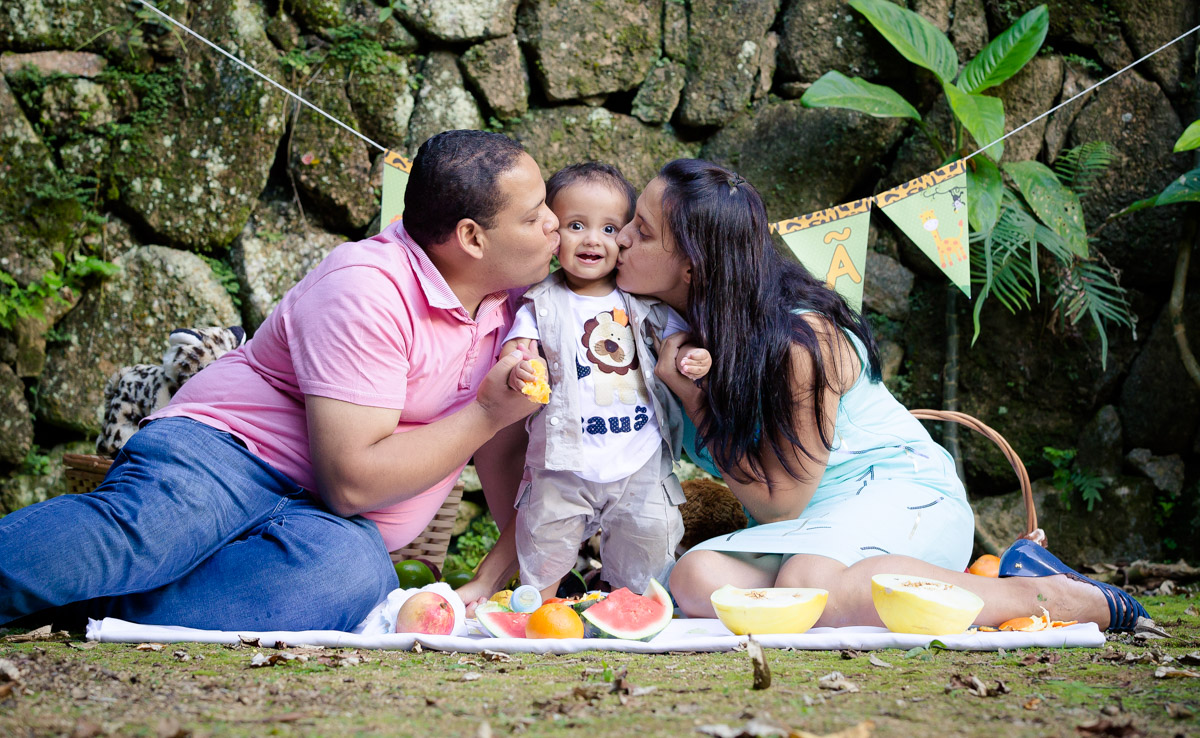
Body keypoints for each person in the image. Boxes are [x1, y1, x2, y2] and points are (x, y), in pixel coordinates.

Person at [0, 130, 557, 632]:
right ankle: (74, 587)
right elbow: (351, 484)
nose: (554, 223)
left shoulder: (515, 312)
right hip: (227, 453)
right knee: (153, 534)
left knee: (350, 577)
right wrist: (486, 413)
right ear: (471, 237)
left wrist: (499, 581)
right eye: (534, 217)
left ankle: (84, 609)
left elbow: (509, 467)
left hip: (330, 525)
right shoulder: (366, 287)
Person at [612, 158, 1148, 632]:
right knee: (696, 577)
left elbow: (780, 503)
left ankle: (1041, 595)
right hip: (808, 528)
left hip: (896, 494)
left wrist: (694, 400)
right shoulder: (663, 326)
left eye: (643, 230)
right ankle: (871, 595)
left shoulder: (801, 342)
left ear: (693, 266)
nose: (622, 238)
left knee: (806, 580)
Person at [502, 162, 711, 599]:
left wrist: (695, 358)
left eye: (610, 228)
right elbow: (517, 352)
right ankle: (537, 608)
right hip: (563, 462)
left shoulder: (643, 303)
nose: (593, 239)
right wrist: (520, 367)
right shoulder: (539, 303)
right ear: (553, 233)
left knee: (649, 543)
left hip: (640, 457)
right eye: (576, 225)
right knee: (543, 543)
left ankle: (630, 606)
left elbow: (679, 343)